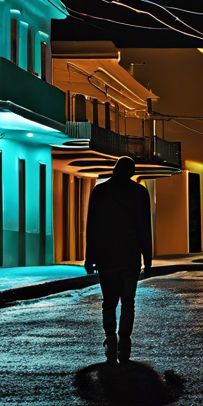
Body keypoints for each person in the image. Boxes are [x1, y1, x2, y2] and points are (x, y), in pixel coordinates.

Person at [84, 156, 153, 364]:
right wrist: (147, 260)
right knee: (128, 303)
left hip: (106, 257)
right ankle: (124, 342)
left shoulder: (100, 191)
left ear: (115, 170)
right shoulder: (140, 192)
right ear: (131, 173)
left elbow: (92, 227)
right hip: (130, 256)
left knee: (109, 303)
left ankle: (110, 340)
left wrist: (90, 257)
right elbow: (144, 229)